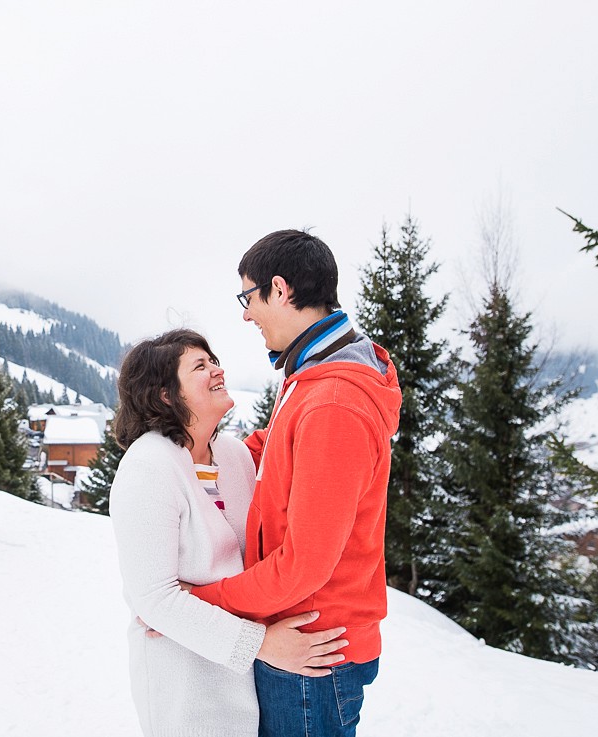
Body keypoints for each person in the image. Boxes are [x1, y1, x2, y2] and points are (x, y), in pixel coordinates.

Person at [187, 230, 401, 737]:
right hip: (301, 637)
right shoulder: (316, 371)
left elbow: (303, 566)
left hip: (311, 650)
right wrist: (195, 452)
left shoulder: (332, 401)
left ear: (279, 290)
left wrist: (198, 606)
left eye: (248, 297)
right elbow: (280, 442)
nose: (245, 314)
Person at [108, 328, 349, 737]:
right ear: (166, 394)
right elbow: (154, 599)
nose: (217, 370)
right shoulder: (147, 468)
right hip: (184, 685)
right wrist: (262, 644)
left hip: (244, 684)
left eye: (214, 360)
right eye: (200, 366)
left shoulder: (235, 456)